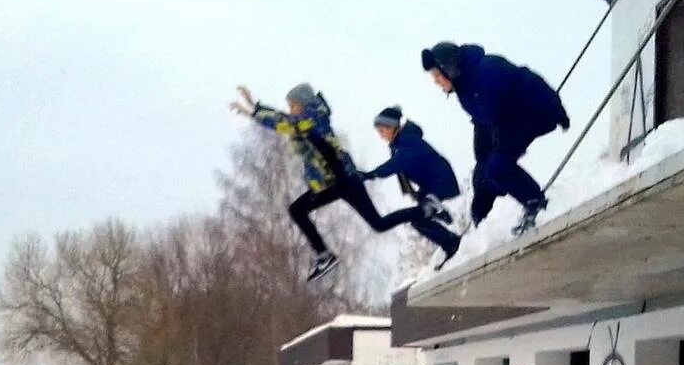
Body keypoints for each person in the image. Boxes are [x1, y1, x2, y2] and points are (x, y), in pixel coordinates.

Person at [229, 84, 433, 281]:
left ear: (303, 104)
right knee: (377, 223)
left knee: (298, 210)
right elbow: (287, 119)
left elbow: (285, 123)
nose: (290, 110)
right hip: (341, 180)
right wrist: (256, 106)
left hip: (339, 180)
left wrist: (252, 113)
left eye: (292, 105)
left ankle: (324, 255)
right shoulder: (311, 117)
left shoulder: (311, 119)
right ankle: (426, 210)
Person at [421, 42, 570, 236]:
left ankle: (536, 203)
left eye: (437, 76)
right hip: (508, 121)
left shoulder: (486, 71)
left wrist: (556, 108)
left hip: (534, 113)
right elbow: (481, 120)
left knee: (498, 167)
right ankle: (480, 223)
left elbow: (526, 82)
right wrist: (481, 158)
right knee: (483, 171)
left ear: (449, 68)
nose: (436, 82)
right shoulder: (464, 86)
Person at [359, 106, 461, 270]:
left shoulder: (408, 140)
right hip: (429, 187)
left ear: (392, 127)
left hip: (440, 182)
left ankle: (450, 237)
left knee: (418, 216)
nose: (380, 135)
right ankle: (449, 238)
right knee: (417, 219)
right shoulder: (399, 144)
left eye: (382, 130)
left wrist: (371, 174)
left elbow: (397, 163)